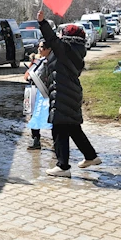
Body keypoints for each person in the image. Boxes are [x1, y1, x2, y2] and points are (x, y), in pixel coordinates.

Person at [37, 10, 101, 177]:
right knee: (72, 127)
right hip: (70, 92)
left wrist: (42, 22)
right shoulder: (77, 52)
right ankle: (90, 156)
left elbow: (52, 40)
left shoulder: (65, 50)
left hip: (62, 93)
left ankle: (63, 166)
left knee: (59, 130)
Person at [24, 39, 51, 150]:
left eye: (42, 47)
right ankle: (36, 140)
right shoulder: (37, 60)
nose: (39, 49)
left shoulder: (50, 62)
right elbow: (26, 76)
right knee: (33, 115)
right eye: (39, 47)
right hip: (32, 90)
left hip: (44, 91)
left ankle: (58, 140)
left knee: (49, 115)